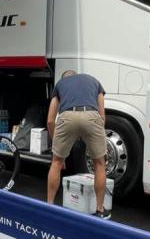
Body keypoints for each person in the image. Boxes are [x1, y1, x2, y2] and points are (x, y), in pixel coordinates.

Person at [46, 70, 109, 219]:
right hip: (92, 116)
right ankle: (100, 209)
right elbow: (102, 116)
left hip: (67, 116)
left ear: (65, 78)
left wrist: (57, 150)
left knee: (56, 163)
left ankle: (49, 206)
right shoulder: (94, 80)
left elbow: (50, 120)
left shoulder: (60, 84)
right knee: (100, 163)